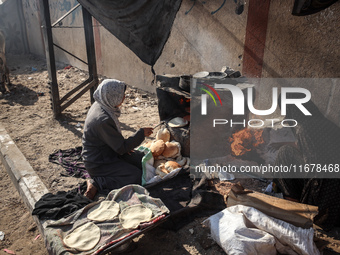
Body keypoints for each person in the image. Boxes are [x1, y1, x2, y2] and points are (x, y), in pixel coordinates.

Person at [273, 93, 340, 230]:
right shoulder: (326, 124)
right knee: (287, 150)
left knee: (284, 154)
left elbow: (315, 171)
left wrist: (308, 208)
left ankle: (291, 209)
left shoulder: (305, 128)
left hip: (326, 196)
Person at [81, 79, 153, 199]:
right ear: (112, 96)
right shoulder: (103, 119)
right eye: (121, 95)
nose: (124, 97)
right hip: (99, 162)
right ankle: (97, 182)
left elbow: (116, 143)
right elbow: (120, 148)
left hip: (108, 151)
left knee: (141, 159)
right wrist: (141, 134)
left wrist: (126, 147)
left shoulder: (102, 103)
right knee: (136, 176)